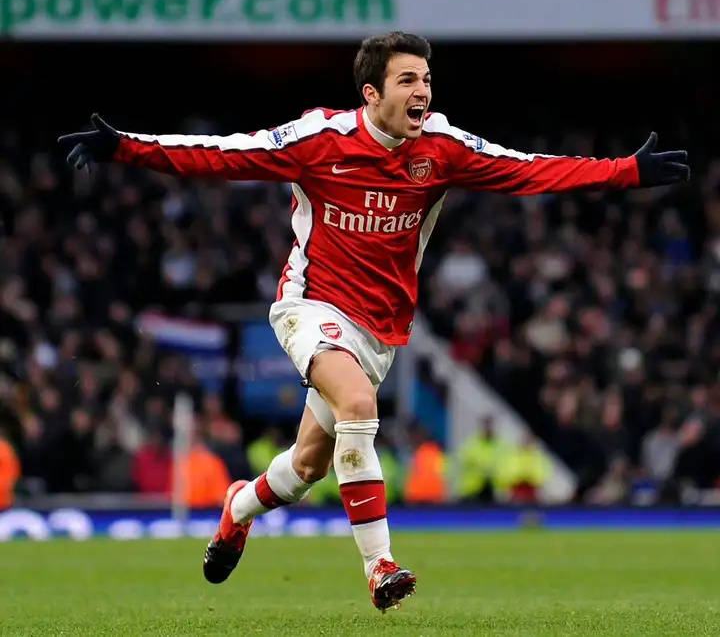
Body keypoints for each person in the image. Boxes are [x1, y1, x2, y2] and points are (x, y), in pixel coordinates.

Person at [57, 31, 690, 611]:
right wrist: (124, 148)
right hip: (311, 304)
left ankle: (238, 507)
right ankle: (379, 566)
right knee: (358, 404)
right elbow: (223, 155)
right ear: (372, 93)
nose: (423, 92)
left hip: (380, 328)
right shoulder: (320, 139)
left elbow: (528, 169)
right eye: (408, 80)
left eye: (427, 79)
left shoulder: (443, 148)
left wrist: (628, 171)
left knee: (306, 468)